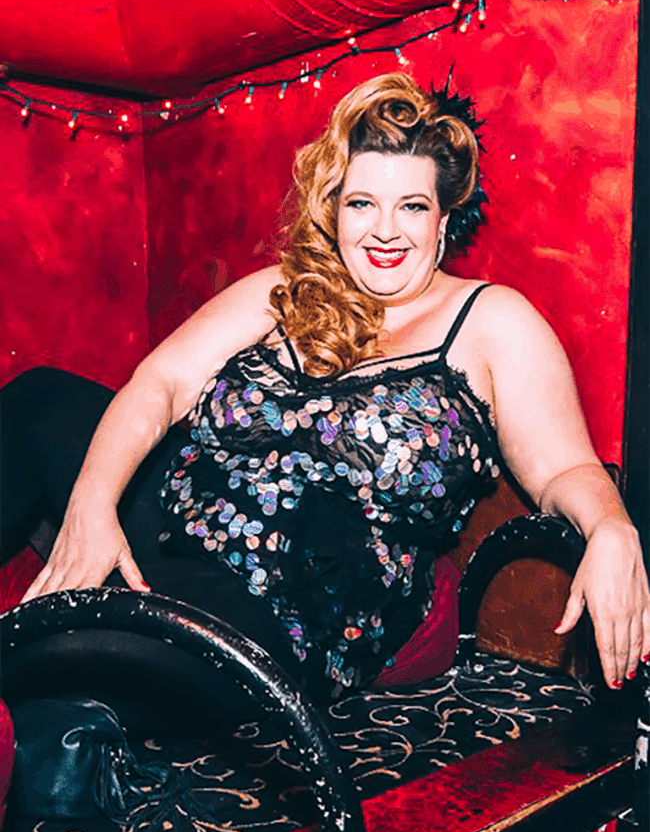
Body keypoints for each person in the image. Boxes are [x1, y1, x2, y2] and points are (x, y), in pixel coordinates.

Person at [2, 73, 648, 708]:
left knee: (91, 652)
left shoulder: (491, 320)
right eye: (362, 202)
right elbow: (162, 384)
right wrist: (93, 504)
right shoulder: (280, 288)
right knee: (37, 401)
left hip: (303, 598)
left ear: (445, 217)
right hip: (179, 521)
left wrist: (612, 527)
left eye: (412, 206)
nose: (385, 230)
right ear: (333, 207)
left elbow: (564, 467)